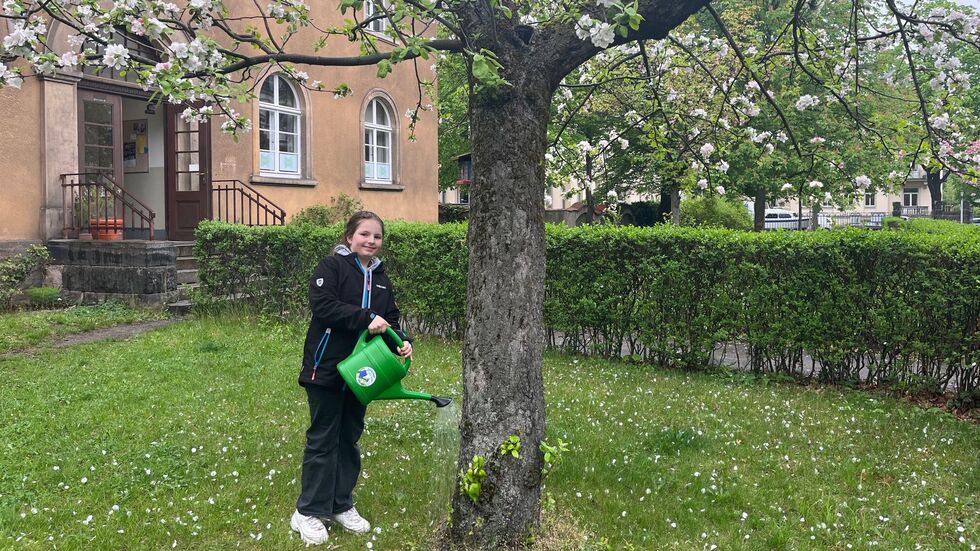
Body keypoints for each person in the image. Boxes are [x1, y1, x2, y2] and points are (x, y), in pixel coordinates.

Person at [290, 211, 412, 545]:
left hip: (363, 374)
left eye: (377, 236)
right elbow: (323, 306)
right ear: (349, 237)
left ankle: (340, 504)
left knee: (349, 437)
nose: (371, 241)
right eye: (364, 234)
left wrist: (403, 342)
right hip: (326, 369)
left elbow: (390, 320)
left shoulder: (382, 277)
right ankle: (307, 511)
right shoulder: (333, 268)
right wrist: (365, 317)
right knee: (323, 439)